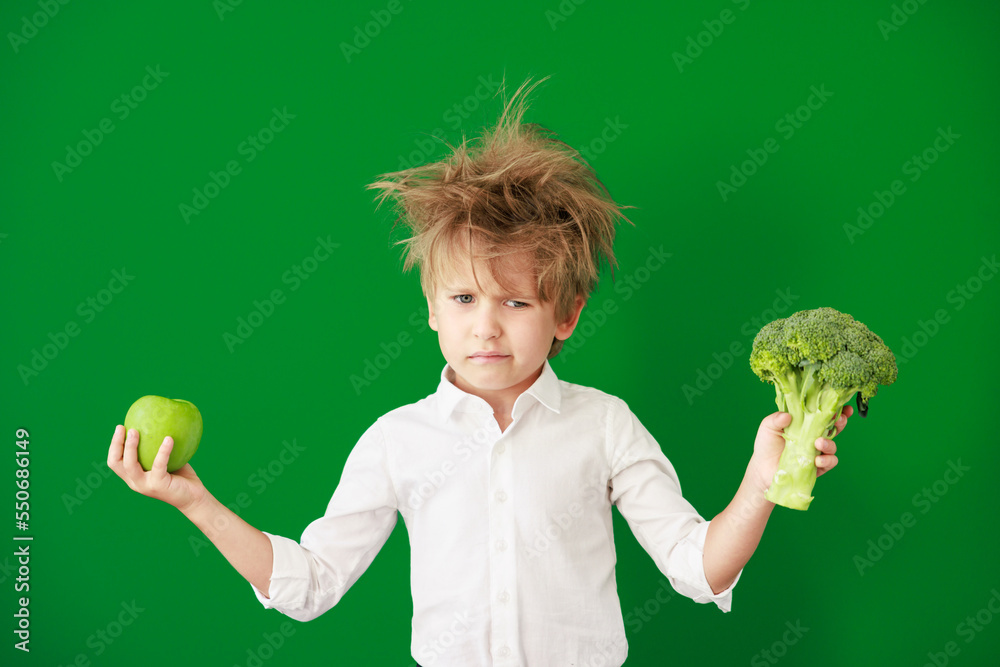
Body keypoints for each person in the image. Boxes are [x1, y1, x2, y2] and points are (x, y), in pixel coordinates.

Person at [107, 75, 846, 666]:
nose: (485, 323)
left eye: (516, 299)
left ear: (566, 314)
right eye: (462, 296)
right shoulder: (398, 439)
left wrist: (759, 481)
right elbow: (311, 584)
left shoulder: (605, 425)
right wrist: (196, 502)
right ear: (431, 306)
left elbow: (700, 568)